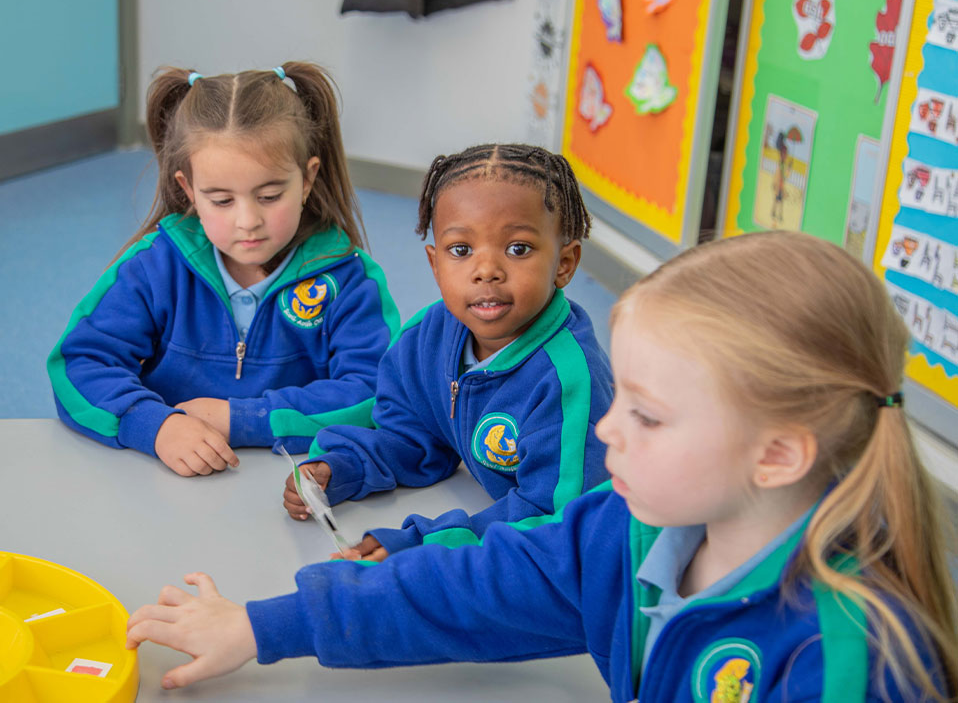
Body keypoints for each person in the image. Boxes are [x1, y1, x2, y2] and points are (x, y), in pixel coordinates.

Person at [127, 231, 958, 700]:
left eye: (648, 413)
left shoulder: (859, 663)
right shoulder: (626, 525)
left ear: (777, 454)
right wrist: (263, 626)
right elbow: (474, 587)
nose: (606, 427)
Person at [47, 63, 399, 476]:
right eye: (221, 200)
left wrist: (247, 419)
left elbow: (377, 393)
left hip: (288, 482)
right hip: (160, 483)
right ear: (188, 190)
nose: (247, 221)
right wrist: (154, 425)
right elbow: (79, 365)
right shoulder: (154, 265)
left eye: (269, 195)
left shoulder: (350, 280)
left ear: (307, 179)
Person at [284, 143, 614, 559]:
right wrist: (344, 467)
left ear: (564, 263)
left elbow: (557, 522)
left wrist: (426, 547)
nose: (486, 270)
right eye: (461, 250)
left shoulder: (570, 382)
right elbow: (413, 436)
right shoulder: (427, 336)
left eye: (518, 249)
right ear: (434, 262)